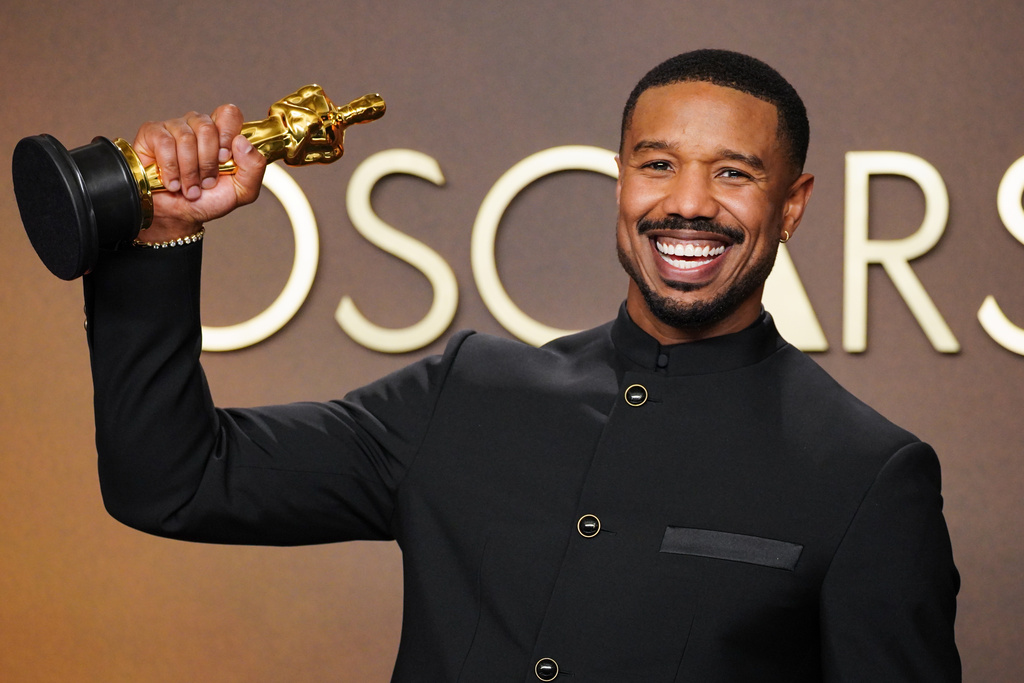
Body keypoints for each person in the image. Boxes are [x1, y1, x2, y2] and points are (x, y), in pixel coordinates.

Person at [83, 50, 960, 681]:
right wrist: (161, 239)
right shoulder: (465, 392)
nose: (688, 204)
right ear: (621, 180)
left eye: (733, 173)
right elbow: (174, 479)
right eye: (658, 165)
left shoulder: (867, 475)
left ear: (793, 203)